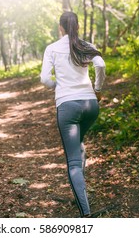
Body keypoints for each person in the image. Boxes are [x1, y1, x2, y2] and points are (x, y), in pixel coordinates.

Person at [40, 11, 106, 217]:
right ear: (76, 26)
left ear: (60, 27)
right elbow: (101, 65)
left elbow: (44, 78)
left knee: (74, 162)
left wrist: (57, 86)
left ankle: (86, 214)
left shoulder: (52, 49)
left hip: (67, 106)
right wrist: (98, 89)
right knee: (79, 144)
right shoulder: (86, 46)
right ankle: (80, 192)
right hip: (90, 105)